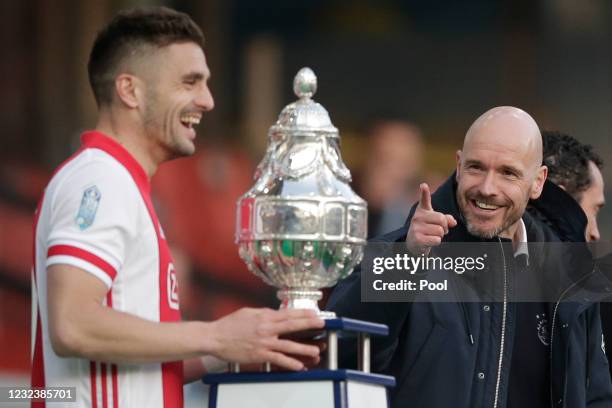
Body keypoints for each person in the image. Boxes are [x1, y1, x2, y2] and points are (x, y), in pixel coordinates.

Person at [31, 7, 324, 408]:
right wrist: (216, 335)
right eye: (190, 82)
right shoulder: (101, 179)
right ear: (130, 90)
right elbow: (73, 324)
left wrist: (236, 348)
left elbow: (130, 361)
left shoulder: (119, 182)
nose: (207, 100)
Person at [327, 106, 612, 408]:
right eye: (476, 167)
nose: (488, 188)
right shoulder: (403, 252)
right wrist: (407, 260)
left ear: (538, 182)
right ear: (459, 165)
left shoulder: (569, 276)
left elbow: (596, 395)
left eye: (508, 173)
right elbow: (343, 350)